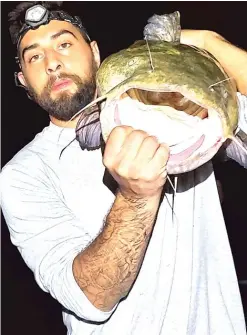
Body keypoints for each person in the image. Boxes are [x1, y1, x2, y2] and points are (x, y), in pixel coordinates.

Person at [1, 2, 247, 334]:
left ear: (95, 52)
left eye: (64, 44)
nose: (53, 63)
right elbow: (91, 298)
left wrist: (207, 41)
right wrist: (135, 197)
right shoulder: (22, 175)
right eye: (35, 57)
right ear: (23, 81)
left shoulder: (178, 104)